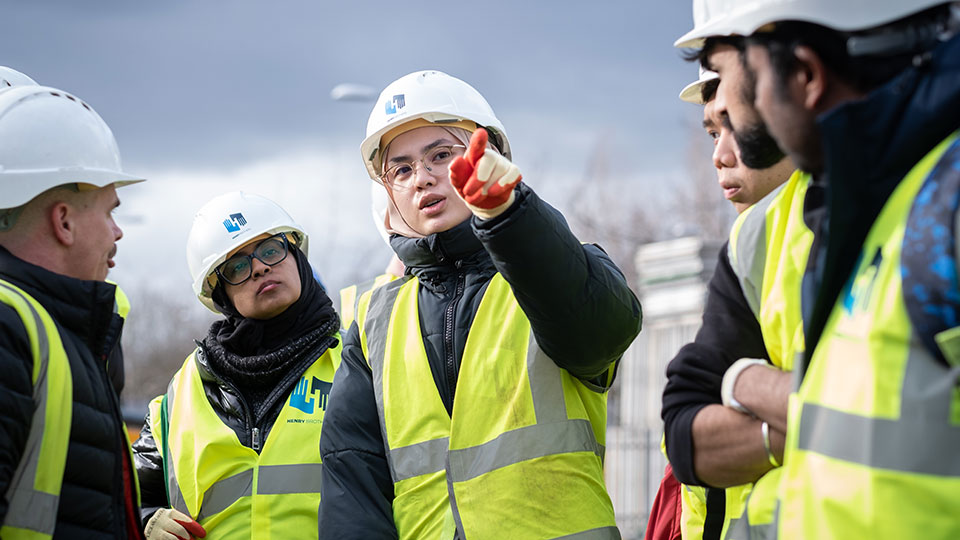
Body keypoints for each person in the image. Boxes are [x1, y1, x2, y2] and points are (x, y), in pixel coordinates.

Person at [318, 70, 642, 539]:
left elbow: (602, 335)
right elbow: (354, 488)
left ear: (488, 155)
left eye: (441, 155)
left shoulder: (555, 269)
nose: (422, 179)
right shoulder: (373, 321)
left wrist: (511, 216)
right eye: (401, 170)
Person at [688, 0, 960, 537]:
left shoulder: (943, 211)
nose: (747, 111)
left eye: (747, 77)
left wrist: (739, 380)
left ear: (807, 76)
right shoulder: (885, 207)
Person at [133, 192, 342, 539]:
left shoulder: (355, 362)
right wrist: (145, 520)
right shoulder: (183, 393)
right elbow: (124, 495)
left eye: (271, 249)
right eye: (237, 267)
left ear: (295, 254)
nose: (260, 267)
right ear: (220, 294)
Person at [657, 45, 803, 539]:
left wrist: (738, 383)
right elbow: (684, 429)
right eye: (715, 132)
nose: (720, 156)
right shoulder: (751, 243)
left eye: (737, 125)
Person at [0, 83, 146, 538]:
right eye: (109, 212)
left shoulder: (59, 331)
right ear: (63, 221)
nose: (117, 232)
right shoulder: (9, 327)